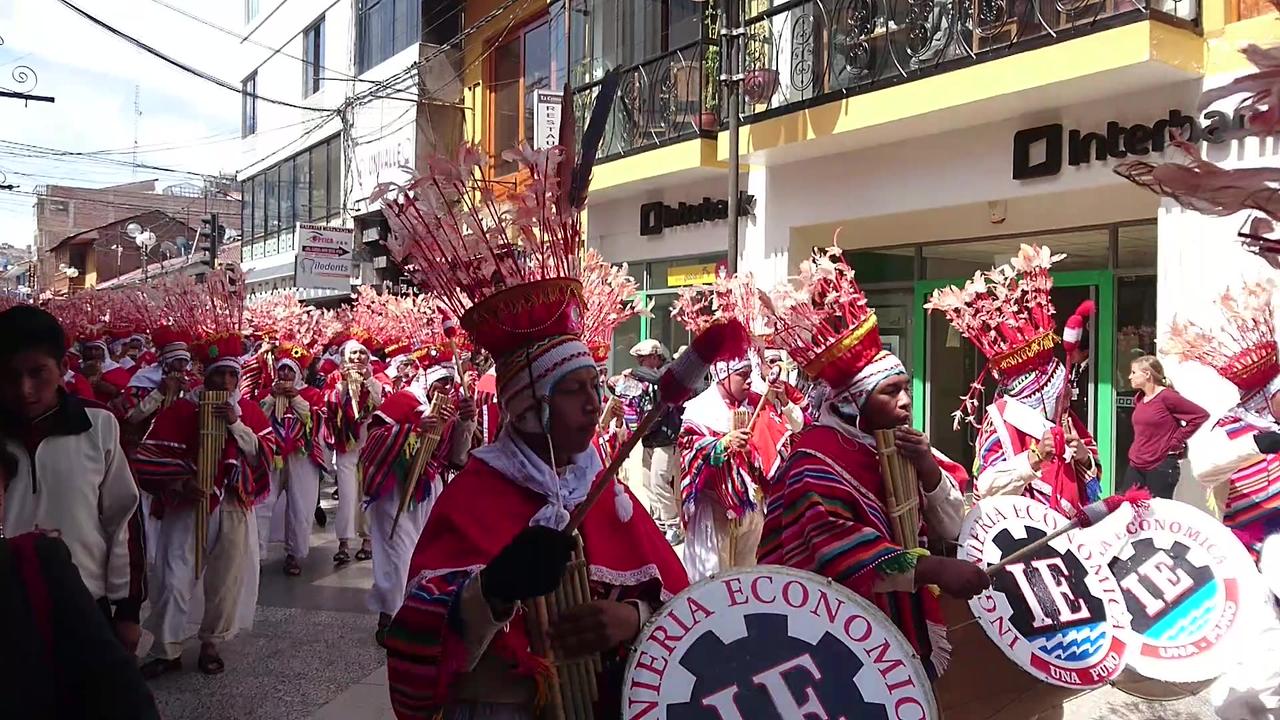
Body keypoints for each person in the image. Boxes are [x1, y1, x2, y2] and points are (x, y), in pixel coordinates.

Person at [379, 130, 688, 717]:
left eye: (595, 387)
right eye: (572, 391)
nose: (593, 404)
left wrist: (631, 616)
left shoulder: (606, 492)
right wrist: (491, 592)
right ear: (525, 406)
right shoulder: (476, 493)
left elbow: (676, 597)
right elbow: (417, 632)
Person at [758, 245, 988, 680]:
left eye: (906, 387)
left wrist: (926, 469)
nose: (905, 401)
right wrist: (930, 567)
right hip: (832, 626)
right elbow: (830, 548)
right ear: (853, 400)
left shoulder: (900, 446)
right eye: (890, 391)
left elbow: (952, 525)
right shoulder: (815, 458)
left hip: (895, 613)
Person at [0, 305, 146, 655]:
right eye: (9, 376)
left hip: (84, 602)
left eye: (38, 373)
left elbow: (123, 519)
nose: (25, 389)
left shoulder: (99, 426)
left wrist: (127, 610)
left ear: (64, 367)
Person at [133, 330, 278, 678]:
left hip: (232, 504)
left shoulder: (249, 412)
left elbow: (265, 455)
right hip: (187, 507)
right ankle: (166, 648)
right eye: (219, 374)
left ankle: (211, 641)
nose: (226, 381)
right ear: (207, 374)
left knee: (225, 578)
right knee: (173, 576)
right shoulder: (183, 408)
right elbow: (148, 457)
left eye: (232, 375)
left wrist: (235, 425)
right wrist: (182, 481)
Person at [926, 244, 1101, 515]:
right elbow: (986, 485)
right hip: (1023, 532)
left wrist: (1083, 458)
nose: (1069, 398)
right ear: (1041, 395)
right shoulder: (1001, 423)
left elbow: (1092, 469)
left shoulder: (1064, 419)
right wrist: (1034, 458)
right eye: (1062, 392)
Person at [1, 445, 161, 720]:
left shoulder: (38, 564)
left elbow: (117, 687)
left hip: (85, 593)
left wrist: (127, 608)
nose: (27, 397)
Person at [361, 347, 476, 645]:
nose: (445, 387)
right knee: (397, 553)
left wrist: (465, 423)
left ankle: (418, 611)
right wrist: (412, 430)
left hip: (429, 489)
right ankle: (391, 614)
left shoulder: (447, 410)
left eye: (450, 382)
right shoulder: (404, 401)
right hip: (395, 490)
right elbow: (372, 441)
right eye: (440, 381)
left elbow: (457, 457)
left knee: (424, 551)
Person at [678, 352, 789, 581]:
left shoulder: (758, 404)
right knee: (713, 579)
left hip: (753, 505)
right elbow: (689, 447)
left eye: (750, 374)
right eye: (742, 375)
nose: (749, 381)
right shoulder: (700, 409)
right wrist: (721, 445)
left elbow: (780, 441)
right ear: (722, 375)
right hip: (716, 507)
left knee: (749, 575)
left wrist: (753, 450)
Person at [259, 344, 327, 577]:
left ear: (299, 374)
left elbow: (316, 420)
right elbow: (257, 418)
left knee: (300, 505)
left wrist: (296, 399)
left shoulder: (311, 393)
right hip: (273, 456)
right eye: (282, 370)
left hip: (302, 456)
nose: (285, 375)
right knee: (263, 502)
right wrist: (271, 397)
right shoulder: (268, 392)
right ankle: (256, 550)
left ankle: (294, 554)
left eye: (290, 371)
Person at [323, 336, 381, 565]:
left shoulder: (377, 380)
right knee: (347, 495)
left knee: (367, 493)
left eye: (362, 354)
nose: (358, 358)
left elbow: (382, 405)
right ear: (345, 358)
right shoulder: (334, 379)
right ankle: (344, 543)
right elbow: (328, 407)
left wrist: (368, 383)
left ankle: (368, 540)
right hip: (346, 446)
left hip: (370, 447)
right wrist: (344, 387)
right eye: (353, 354)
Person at [619, 339, 684, 543]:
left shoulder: (668, 371)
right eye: (638, 359)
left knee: (659, 480)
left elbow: (658, 378)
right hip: (648, 437)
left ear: (655, 356)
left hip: (666, 436)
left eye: (643, 358)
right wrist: (615, 385)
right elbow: (628, 395)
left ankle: (673, 524)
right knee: (648, 482)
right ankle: (660, 524)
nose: (639, 362)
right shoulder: (643, 378)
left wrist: (633, 371)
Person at [1124, 355, 1208, 498]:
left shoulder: (1167, 397)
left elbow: (1199, 415)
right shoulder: (1139, 399)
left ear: (1147, 374)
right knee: (1127, 504)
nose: (1129, 377)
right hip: (1137, 462)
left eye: (1133, 372)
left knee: (1158, 511)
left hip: (1160, 464)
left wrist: (1176, 440)